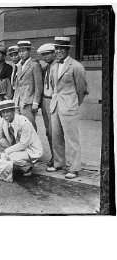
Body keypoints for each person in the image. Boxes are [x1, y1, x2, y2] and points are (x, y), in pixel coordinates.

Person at [47, 37, 88, 179]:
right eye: (57, 49)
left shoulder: (76, 66)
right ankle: (59, 163)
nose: (58, 51)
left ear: (67, 50)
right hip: (56, 105)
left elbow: (82, 89)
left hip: (69, 106)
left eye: (61, 49)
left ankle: (74, 167)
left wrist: (73, 103)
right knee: (56, 136)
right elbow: (54, 87)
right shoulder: (53, 66)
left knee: (72, 138)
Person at [0, 100, 43, 177]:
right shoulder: (3, 121)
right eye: (3, 112)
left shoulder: (23, 122)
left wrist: (6, 152)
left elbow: (23, 144)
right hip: (16, 146)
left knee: (7, 157)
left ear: (13, 111)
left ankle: (27, 166)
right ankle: (15, 162)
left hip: (30, 149)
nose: (5, 115)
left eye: (8, 112)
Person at [13, 40, 43, 130]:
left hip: (28, 101)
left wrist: (36, 102)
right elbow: (18, 84)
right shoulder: (19, 65)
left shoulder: (34, 65)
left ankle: (33, 143)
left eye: (24, 51)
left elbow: (39, 86)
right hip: (18, 100)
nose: (21, 54)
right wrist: (15, 99)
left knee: (30, 125)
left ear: (29, 51)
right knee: (19, 126)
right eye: (20, 51)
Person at [37, 43, 56, 167]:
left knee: (56, 131)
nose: (45, 57)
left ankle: (58, 157)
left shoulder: (58, 66)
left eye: (48, 54)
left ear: (54, 53)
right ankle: (54, 156)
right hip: (45, 100)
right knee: (48, 131)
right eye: (43, 55)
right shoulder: (45, 67)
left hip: (54, 100)